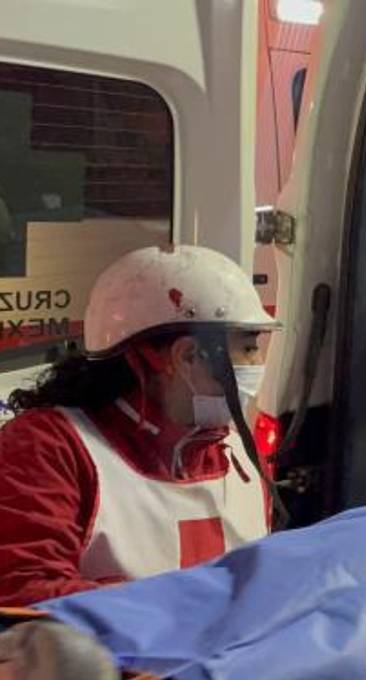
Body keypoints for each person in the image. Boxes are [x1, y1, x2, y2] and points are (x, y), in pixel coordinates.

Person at [0, 244, 280, 607]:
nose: (257, 363)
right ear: (187, 356)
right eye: (248, 348)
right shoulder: (50, 449)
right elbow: (22, 597)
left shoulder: (240, 452)